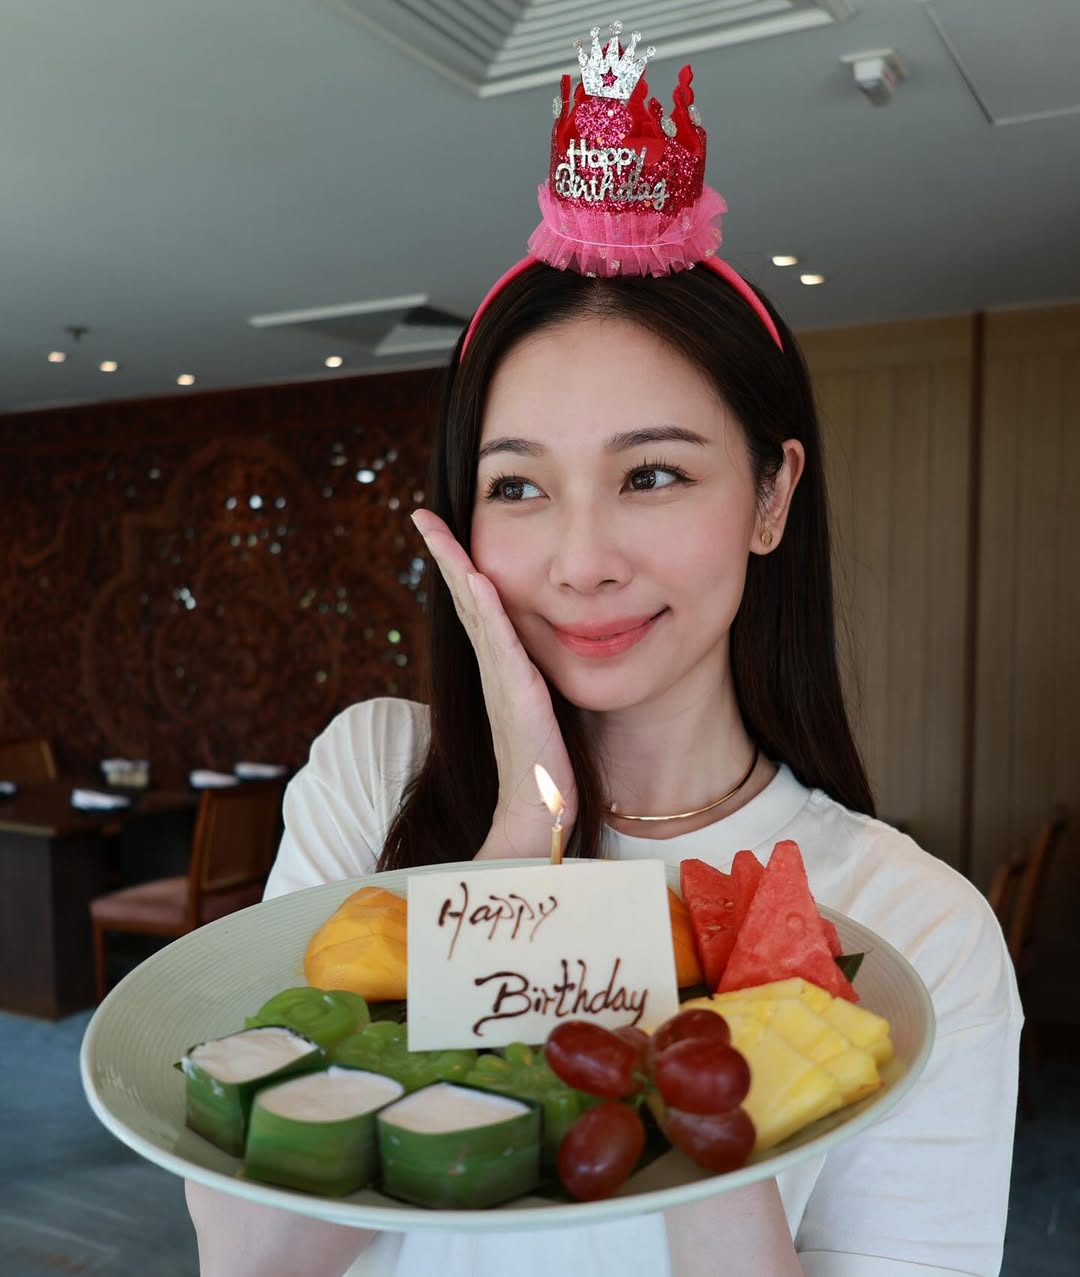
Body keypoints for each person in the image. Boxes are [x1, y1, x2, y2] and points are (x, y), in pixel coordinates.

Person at [186, 20, 1022, 1277]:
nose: (581, 560)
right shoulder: (375, 777)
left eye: (652, 473)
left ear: (772, 495)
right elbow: (254, 1259)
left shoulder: (916, 929)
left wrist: (691, 1074)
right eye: (519, 487)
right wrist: (522, 842)